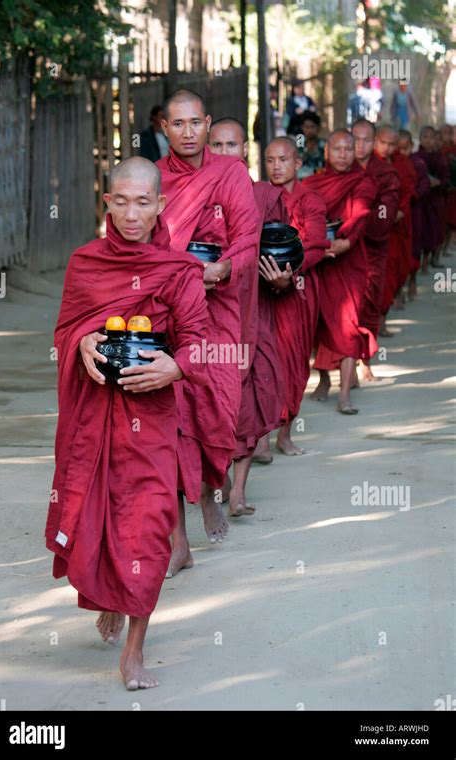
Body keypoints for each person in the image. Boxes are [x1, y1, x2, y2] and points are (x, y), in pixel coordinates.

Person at [46, 157, 208, 690]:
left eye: (144, 202)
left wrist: (176, 365)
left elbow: (202, 342)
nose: (133, 213)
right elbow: (67, 330)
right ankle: (112, 598)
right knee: (99, 515)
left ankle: (134, 647)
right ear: (107, 204)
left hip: (152, 418)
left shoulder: (178, 269)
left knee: (148, 523)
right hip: (96, 417)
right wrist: (83, 342)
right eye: (123, 202)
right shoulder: (85, 263)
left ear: (160, 205)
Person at [156, 90, 259, 576]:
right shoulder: (151, 177)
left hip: (216, 313)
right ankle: (178, 542)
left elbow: (248, 238)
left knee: (215, 412)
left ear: (207, 123)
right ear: (164, 127)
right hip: (167, 313)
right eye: (178, 124)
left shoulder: (230, 174)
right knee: (170, 420)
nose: (189, 132)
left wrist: (218, 271)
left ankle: (209, 492)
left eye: (196, 122)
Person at [208, 117, 285, 512]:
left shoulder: (264, 195)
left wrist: (283, 279)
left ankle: (238, 490)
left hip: (254, 311)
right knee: (212, 400)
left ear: (245, 150)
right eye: (216, 146)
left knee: (250, 398)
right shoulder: (195, 193)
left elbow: (283, 250)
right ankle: (216, 477)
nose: (224, 154)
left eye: (231, 145)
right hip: (206, 316)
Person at [256, 136, 328, 456]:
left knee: (294, 361)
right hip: (261, 287)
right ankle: (258, 439)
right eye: (270, 160)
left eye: (283, 160)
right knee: (262, 360)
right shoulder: (257, 196)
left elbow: (315, 245)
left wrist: (290, 274)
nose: (276, 166)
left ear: (297, 163)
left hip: (298, 289)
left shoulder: (311, 199)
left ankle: (284, 434)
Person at [303, 129, 378, 414]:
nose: (344, 155)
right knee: (319, 325)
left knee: (347, 325)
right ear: (326, 152)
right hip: (319, 262)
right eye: (337, 149)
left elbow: (360, 215)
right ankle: (323, 380)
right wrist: (317, 245)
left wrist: (345, 240)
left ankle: (345, 393)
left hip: (349, 263)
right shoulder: (312, 184)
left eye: (349, 149)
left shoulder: (364, 182)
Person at [351, 119, 400, 379]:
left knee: (369, 303)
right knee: (343, 307)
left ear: (374, 142)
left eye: (366, 140)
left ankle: (364, 359)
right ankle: (343, 361)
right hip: (343, 252)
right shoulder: (339, 168)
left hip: (372, 248)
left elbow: (386, 214)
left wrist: (355, 226)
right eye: (355, 139)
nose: (360, 146)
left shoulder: (385, 174)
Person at [376, 125, 417, 327]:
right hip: (377, 228)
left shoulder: (403, 163)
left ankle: (383, 317)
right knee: (382, 273)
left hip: (399, 224)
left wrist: (400, 210)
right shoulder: (370, 165)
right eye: (383, 143)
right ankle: (378, 321)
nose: (387, 148)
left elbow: (409, 189)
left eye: (392, 144)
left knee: (398, 268)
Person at [398, 129, 431, 300]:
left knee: (414, 247)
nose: (403, 153)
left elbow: (424, 184)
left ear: (411, 146)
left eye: (406, 148)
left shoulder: (417, 163)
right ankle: (397, 292)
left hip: (415, 211)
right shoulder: (392, 164)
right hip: (396, 215)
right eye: (400, 149)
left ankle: (412, 281)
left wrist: (413, 195)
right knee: (397, 253)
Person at [416, 126, 449, 272]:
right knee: (420, 231)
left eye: (432, 137)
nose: (429, 141)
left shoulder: (440, 157)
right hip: (421, 201)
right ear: (421, 139)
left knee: (433, 231)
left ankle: (427, 262)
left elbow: (446, 176)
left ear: (436, 139)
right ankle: (417, 265)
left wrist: (440, 182)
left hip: (436, 200)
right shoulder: (416, 157)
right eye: (425, 137)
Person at [440, 123, 456, 253]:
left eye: (449, 133)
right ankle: (441, 249)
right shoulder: (438, 150)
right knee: (443, 222)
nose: (447, 136)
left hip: (453, 192)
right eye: (444, 133)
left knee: (452, 222)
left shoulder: (454, 149)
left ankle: (447, 246)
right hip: (442, 192)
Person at [297, 111, 326, 179]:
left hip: (320, 181)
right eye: (307, 127)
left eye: (313, 127)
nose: (310, 130)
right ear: (302, 128)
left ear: (318, 128)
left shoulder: (324, 145)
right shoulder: (299, 144)